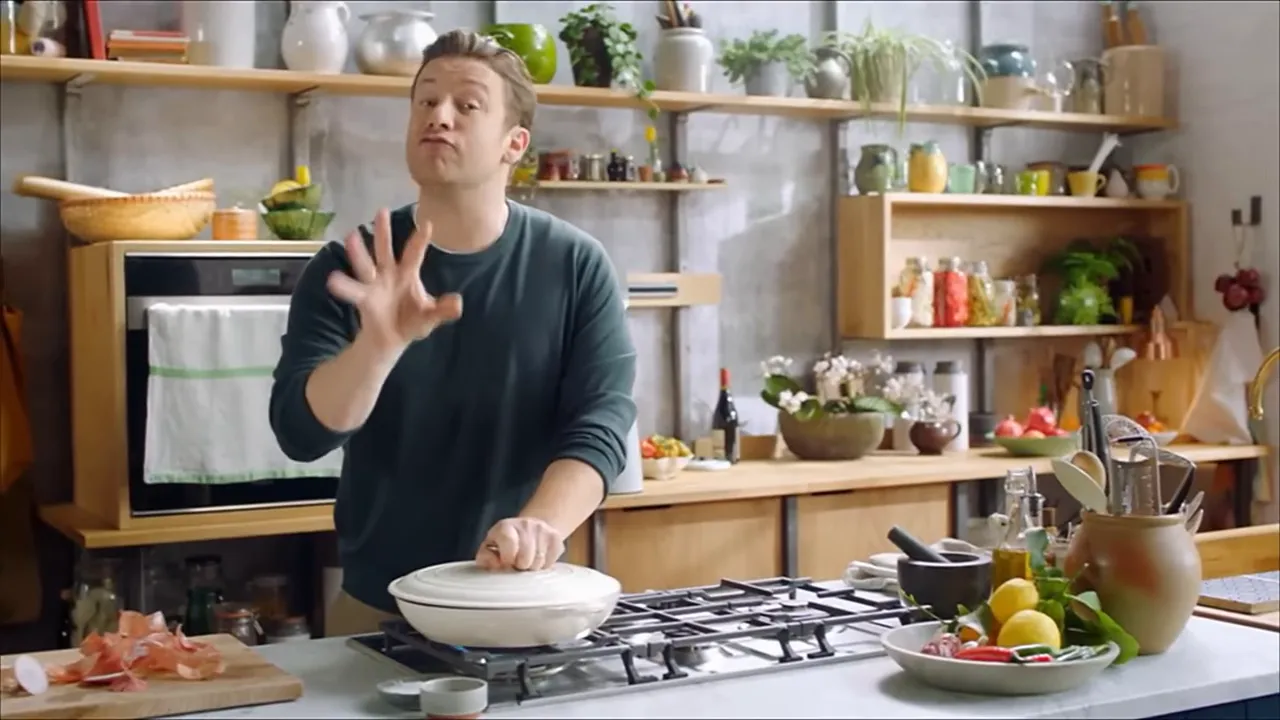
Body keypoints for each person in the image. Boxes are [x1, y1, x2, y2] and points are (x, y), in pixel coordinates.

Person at [268, 30, 637, 637]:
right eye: (426, 101)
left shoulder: (575, 265)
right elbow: (299, 434)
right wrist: (377, 347)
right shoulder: (349, 268)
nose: (439, 116)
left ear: (512, 144)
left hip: (526, 601)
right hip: (378, 610)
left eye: (468, 106)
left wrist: (537, 527)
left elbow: (599, 426)